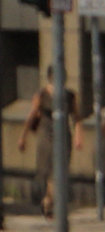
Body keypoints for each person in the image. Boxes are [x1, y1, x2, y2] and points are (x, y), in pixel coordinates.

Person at [15, 69, 83, 218]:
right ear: (50, 77)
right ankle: (48, 199)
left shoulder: (69, 95)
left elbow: (76, 117)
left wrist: (78, 136)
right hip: (45, 134)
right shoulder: (41, 94)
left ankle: (48, 202)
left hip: (63, 135)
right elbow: (32, 115)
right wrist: (23, 137)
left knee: (58, 171)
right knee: (45, 169)